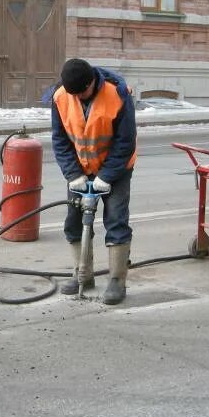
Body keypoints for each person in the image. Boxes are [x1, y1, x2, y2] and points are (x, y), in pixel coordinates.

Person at [50, 57, 137, 304]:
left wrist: (106, 176)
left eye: (82, 92)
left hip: (116, 169)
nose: (78, 98)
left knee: (116, 220)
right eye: (73, 94)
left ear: (92, 83)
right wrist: (73, 174)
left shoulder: (118, 94)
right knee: (74, 220)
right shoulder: (61, 97)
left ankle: (117, 281)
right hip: (80, 169)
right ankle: (83, 274)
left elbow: (125, 142)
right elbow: (60, 140)